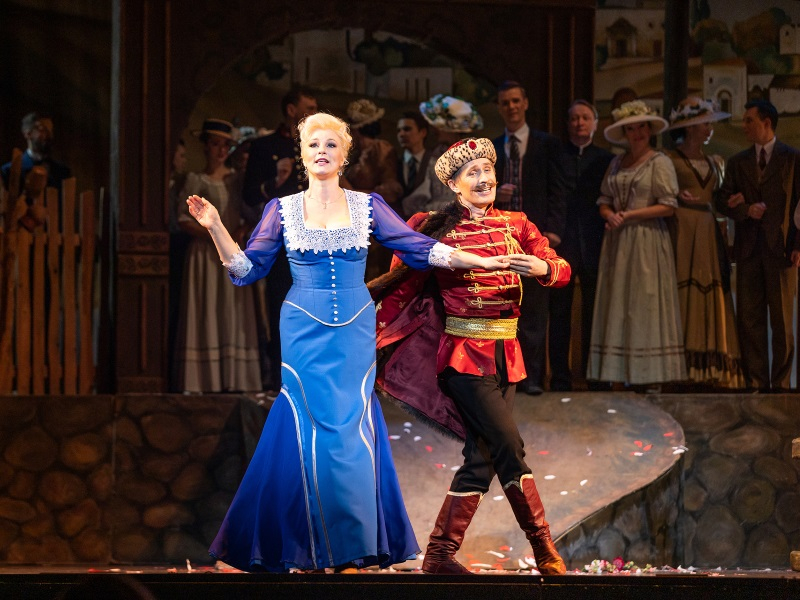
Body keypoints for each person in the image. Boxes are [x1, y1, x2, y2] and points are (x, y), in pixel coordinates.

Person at [189, 112, 508, 572]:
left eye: (331, 145)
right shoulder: (282, 210)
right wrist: (215, 226)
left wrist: (481, 261)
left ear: (344, 155)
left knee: (352, 432)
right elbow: (245, 271)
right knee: (306, 428)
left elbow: (419, 247)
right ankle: (301, 545)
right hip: (303, 329)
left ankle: (350, 547)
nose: (322, 151)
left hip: (356, 329)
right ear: (303, 155)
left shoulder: (368, 205)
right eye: (313, 144)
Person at [370, 138, 571, 575]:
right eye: (473, 173)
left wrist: (543, 268)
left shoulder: (517, 224)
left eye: (488, 171)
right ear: (454, 185)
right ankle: (543, 547)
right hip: (463, 357)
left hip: (506, 356)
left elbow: (561, 268)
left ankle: (439, 555)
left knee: (482, 458)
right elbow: (401, 276)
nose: (484, 179)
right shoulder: (435, 228)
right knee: (509, 447)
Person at [587, 100, 686, 388]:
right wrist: (610, 215)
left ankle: (649, 375)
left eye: (642, 127)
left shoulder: (659, 162)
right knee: (620, 302)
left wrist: (629, 215)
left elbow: (668, 206)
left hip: (647, 240)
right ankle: (621, 373)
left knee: (645, 302)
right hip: (619, 241)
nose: (637, 133)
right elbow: (604, 200)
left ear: (649, 130)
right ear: (625, 133)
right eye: (631, 129)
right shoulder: (616, 163)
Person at [716, 100, 800, 392]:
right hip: (749, 250)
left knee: (782, 321)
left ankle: (781, 384)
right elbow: (722, 200)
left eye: (749, 120)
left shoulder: (793, 159)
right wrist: (744, 209)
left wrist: (798, 244)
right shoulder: (738, 162)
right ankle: (756, 382)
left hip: (782, 250)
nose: (744, 126)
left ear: (766, 123)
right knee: (750, 319)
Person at [175, 118, 261, 393]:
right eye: (215, 144)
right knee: (207, 306)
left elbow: (250, 214)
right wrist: (213, 235)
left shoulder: (237, 180)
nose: (221, 150)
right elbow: (182, 219)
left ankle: (236, 379)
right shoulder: (195, 180)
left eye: (226, 145)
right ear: (205, 147)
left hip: (232, 251)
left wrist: (239, 232)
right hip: (205, 255)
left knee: (232, 307)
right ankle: (203, 380)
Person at [242, 86, 318, 392]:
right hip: (283, 240)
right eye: (308, 108)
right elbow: (249, 194)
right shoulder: (265, 146)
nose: (314, 113)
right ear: (291, 110)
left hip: (318, 239)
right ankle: (281, 378)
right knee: (282, 307)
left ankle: (312, 377)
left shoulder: (319, 146)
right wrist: (276, 181)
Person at [492, 81, 567, 395]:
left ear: (525, 103)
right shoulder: (493, 147)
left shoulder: (546, 144)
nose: (511, 107)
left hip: (535, 235)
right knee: (502, 306)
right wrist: (496, 193)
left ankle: (532, 377)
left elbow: (558, 189)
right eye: (505, 102)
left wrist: (553, 230)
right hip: (500, 236)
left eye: (515, 101)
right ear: (499, 107)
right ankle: (505, 376)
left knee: (535, 309)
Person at [665, 97, 743, 388]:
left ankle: (711, 368)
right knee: (684, 288)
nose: (710, 129)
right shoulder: (669, 159)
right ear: (690, 127)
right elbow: (659, 191)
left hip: (708, 231)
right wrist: (674, 195)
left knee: (710, 290)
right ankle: (680, 367)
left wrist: (732, 201)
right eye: (705, 124)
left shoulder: (716, 162)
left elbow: (720, 199)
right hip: (682, 230)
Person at [548, 100, 614, 392]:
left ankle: (595, 376)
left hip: (596, 241)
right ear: (568, 124)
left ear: (595, 123)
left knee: (594, 313)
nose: (579, 123)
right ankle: (560, 378)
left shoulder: (606, 159)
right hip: (562, 242)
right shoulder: (555, 156)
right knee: (559, 312)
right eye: (574, 118)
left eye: (585, 118)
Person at [345, 98, 404, 282]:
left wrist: (352, 192)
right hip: (353, 220)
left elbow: (390, 189)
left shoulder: (381, 149)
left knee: (374, 274)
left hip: (375, 220)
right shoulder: (353, 154)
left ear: (357, 129)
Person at [402, 94, 484, 218]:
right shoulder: (435, 155)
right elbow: (424, 192)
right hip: (437, 216)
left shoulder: (473, 155)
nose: (434, 130)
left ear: (453, 129)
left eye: (439, 126)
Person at [1, 112, 71, 195]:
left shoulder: (62, 172)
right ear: (28, 134)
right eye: (43, 130)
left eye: (50, 130)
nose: (49, 136)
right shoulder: (9, 171)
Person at [396, 111, 432, 207]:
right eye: (398, 131)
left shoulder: (434, 161)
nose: (401, 134)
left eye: (407, 129)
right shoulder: (394, 163)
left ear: (423, 132)